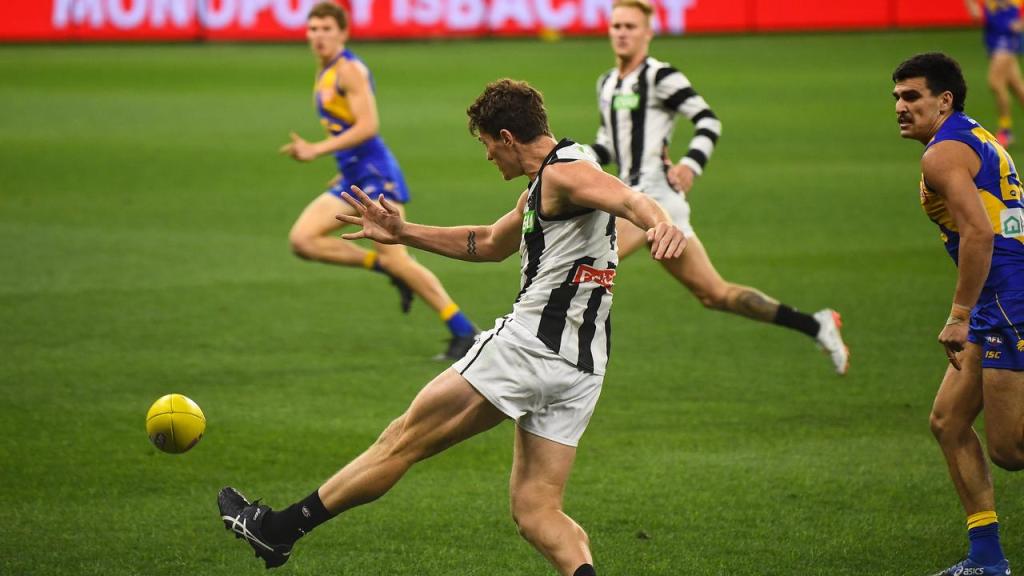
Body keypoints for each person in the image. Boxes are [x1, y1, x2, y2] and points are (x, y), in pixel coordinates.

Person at [217, 79, 686, 576]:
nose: (488, 157)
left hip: (529, 347)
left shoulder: (564, 174)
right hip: (581, 367)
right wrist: (402, 232)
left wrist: (660, 223)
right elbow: (489, 242)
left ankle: (278, 530)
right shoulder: (550, 179)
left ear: (507, 137)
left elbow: (630, 200)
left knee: (401, 440)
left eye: (487, 144)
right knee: (537, 512)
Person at [583, 0, 849, 374]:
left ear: (648, 33)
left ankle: (557, 356)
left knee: (586, 265)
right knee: (715, 294)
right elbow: (608, 145)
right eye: (617, 26)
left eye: (631, 26)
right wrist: (579, 156)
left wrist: (691, 164)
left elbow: (708, 120)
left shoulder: (660, 76)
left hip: (655, 199)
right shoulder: (607, 83)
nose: (622, 33)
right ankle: (815, 324)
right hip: (636, 199)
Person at [280, 1, 477, 360]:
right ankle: (385, 267)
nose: (318, 36)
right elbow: (345, 126)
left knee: (399, 258)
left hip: (374, 175)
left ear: (343, 32)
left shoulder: (349, 70)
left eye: (326, 29)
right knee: (302, 240)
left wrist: (316, 149)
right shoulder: (326, 69)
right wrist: (343, 166)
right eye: (313, 29)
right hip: (354, 174)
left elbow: (369, 127)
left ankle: (464, 331)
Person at [892, 52, 1024, 576]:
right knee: (948, 421)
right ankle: (987, 559)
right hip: (1001, 294)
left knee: (1011, 449)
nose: (900, 107)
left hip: (1007, 299)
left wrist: (959, 313)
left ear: (944, 100)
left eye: (912, 97)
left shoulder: (942, 154)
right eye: (896, 98)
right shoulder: (975, 136)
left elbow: (979, 233)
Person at [965, 0, 1024, 147]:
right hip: (995, 38)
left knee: (995, 82)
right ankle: (1006, 130)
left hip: (1006, 38)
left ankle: (1005, 129)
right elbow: (977, 15)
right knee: (1018, 88)